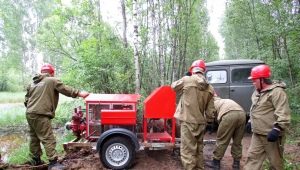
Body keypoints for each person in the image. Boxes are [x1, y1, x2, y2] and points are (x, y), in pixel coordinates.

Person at [24, 63, 89, 169]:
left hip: (30, 113)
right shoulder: (52, 80)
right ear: (52, 72)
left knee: (34, 137)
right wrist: (80, 94)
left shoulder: (32, 83)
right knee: (48, 138)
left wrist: (32, 108)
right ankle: (53, 163)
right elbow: (65, 89)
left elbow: (26, 100)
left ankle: (35, 159)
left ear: (42, 72)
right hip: (41, 114)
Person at [244, 64, 291, 170]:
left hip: (271, 134)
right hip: (257, 133)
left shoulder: (277, 92)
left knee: (275, 163)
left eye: (254, 80)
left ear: (262, 80)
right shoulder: (257, 92)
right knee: (252, 159)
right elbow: (255, 108)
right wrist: (250, 121)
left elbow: (283, 112)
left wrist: (277, 129)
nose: (253, 82)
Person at [171, 59, 215, 170]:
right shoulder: (210, 88)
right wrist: (210, 121)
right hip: (200, 123)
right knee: (198, 150)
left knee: (187, 151)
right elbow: (210, 111)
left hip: (187, 122)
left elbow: (173, 87)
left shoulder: (187, 80)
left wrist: (186, 78)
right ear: (203, 71)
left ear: (192, 70)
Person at [211, 96, 246, 170]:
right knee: (237, 141)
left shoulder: (212, 103)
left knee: (222, 140)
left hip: (228, 115)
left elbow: (210, 116)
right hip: (242, 114)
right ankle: (236, 164)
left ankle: (216, 162)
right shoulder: (224, 100)